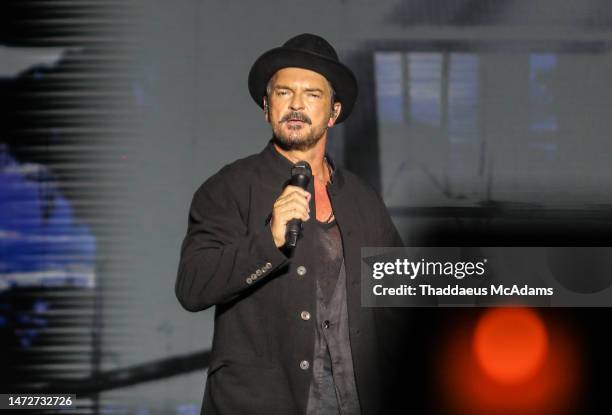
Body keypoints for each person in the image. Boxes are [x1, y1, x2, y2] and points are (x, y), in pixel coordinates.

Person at [175, 33, 407, 415]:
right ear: (267, 107)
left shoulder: (362, 198)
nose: (296, 104)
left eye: (312, 95)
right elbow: (192, 287)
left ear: (333, 112)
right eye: (284, 93)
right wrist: (268, 241)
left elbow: (397, 301)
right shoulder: (229, 187)